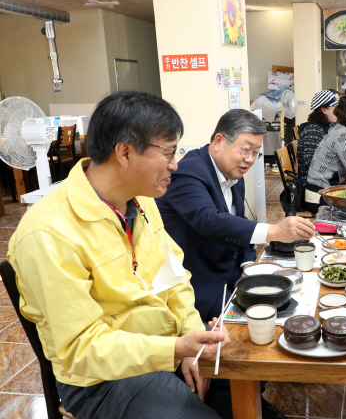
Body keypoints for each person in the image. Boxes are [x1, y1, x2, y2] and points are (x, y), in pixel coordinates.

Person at [7, 91, 233, 419]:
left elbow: (174, 277)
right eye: (168, 151)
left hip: (162, 346)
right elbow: (81, 349)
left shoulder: (140, 202)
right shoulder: (48, 234)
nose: (175, 164)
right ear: (124, 152)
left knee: (246, 380)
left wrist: (188, 335)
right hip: (101, 379)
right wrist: (174, 348)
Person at [157, 109, 315, 323]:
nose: (249, 160)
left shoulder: (232, 172)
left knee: (295, 300)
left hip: (234, 276)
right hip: (203, 286)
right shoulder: (188, 172)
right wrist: (273, 231)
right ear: (219, 141)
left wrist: (247, 265)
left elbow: (238, 225)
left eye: (255, 153)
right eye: (245, 150)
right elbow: (209, 220)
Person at [297, 90, 339, 185]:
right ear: (324, 110)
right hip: (315, 184)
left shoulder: (329, 125)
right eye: (335, 108)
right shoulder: (313, 131)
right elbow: (312, 164)